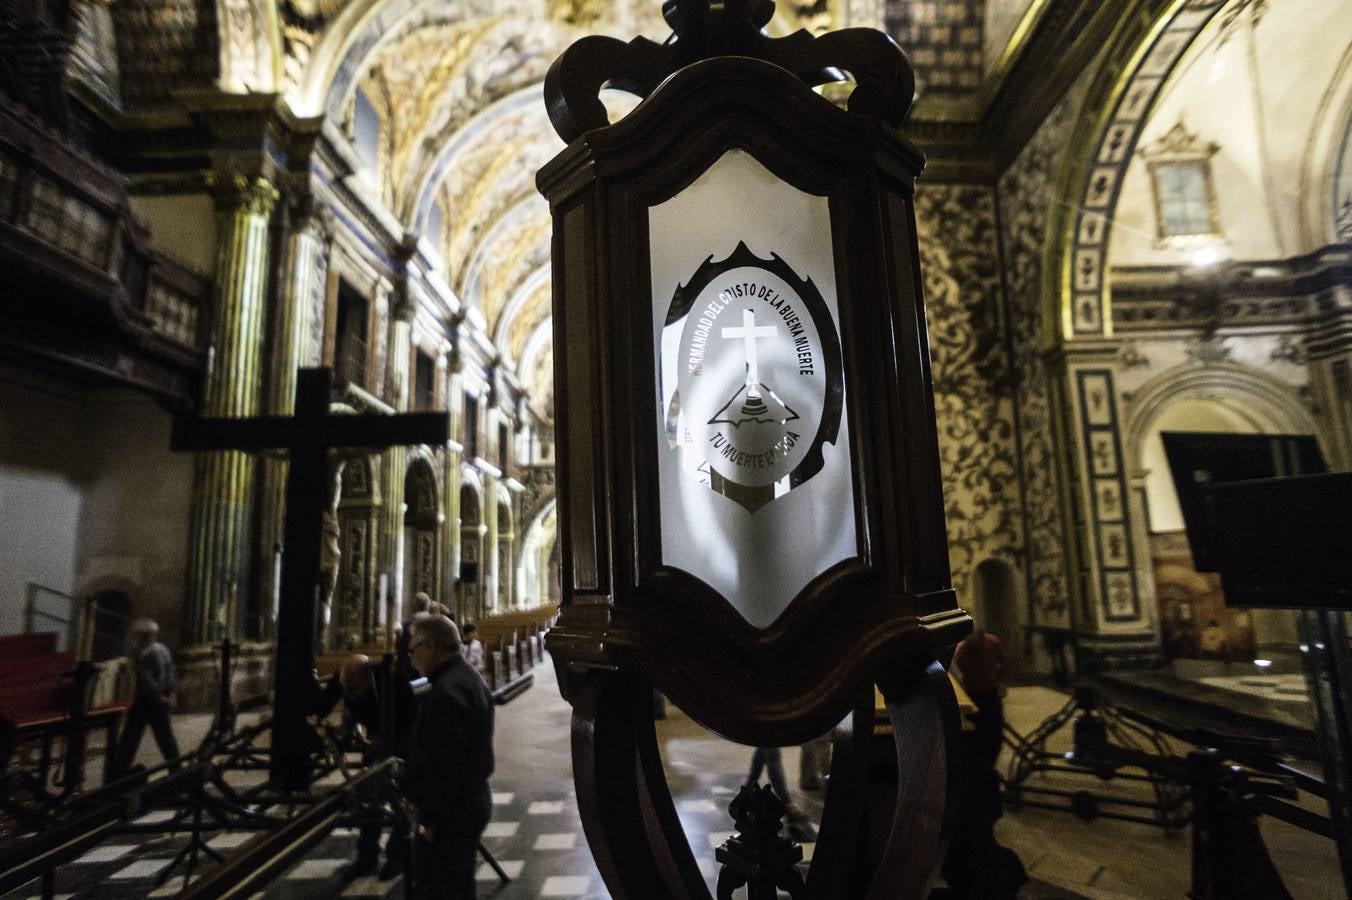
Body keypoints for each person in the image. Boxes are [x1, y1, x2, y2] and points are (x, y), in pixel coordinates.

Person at [406, 614, 494, 899]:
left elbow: (443, 765)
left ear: (430, 646)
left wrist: (430, 818)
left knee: (440, 887)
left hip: (451, 813)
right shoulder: (466, 677)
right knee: (458, 884)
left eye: (413, 649)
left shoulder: (446, 693)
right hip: (471, 800)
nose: (411, 657)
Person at [315, 654, 415, 880]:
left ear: (368, 678)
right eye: (346, 688)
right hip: (372, 739)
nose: (350, 694)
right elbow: (321, 706)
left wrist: (388, 738)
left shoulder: (392, 679)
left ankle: (396, 857)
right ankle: (367, 857)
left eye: (355, 688)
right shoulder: (343, 680)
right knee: (369, 796)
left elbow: (411, 714)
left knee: (404, 796)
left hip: (402, 738)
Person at [114, 618, 181, 775]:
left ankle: (119, 771)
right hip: (159, 699)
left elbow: (147, 681)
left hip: (147, 701)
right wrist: (171, 694)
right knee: (165, 737)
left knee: (131, 736)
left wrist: (162, 697)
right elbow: (171, 672)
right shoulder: (163, 649)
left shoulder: (143, 653)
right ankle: (175, 767)